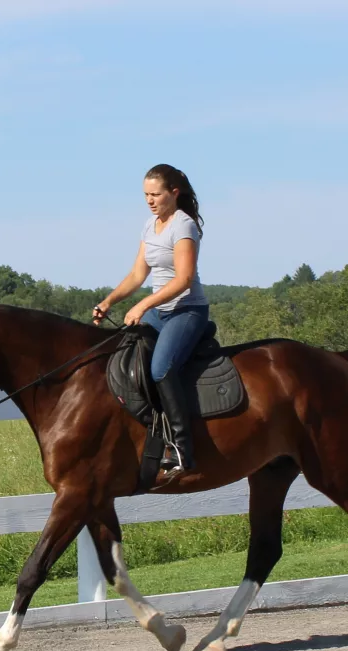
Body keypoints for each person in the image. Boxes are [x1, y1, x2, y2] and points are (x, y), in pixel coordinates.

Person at [93, 163, 210, 475]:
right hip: (160, 312)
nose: (150, 200)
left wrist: (143, 305)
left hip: (187, 311)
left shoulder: (183, 226)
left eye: (155, 194)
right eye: (146, 194)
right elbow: (137, 275)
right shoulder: (150, 225)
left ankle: (182, 447)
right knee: (126, 357)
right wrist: (109, 301)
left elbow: (184, 279)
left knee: (161, 369)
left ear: (174, 192)